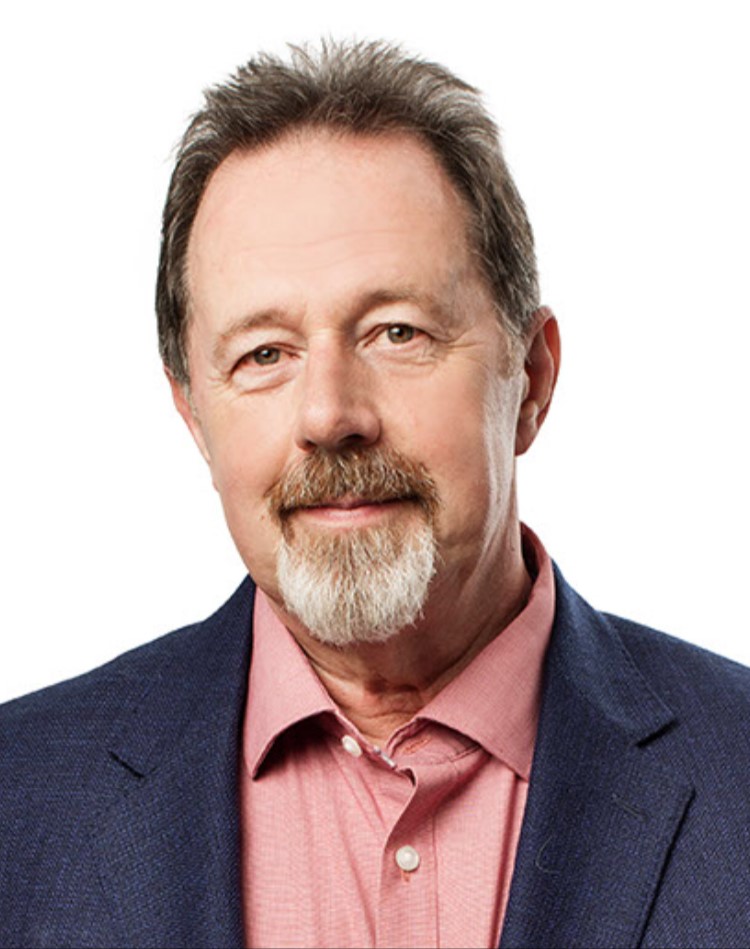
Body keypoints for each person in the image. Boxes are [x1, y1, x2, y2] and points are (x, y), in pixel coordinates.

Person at [1, 38, 749, 949]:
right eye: (264, 354)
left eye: (397, 332)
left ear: (533, 376)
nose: (329, 414)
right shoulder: (21, 802)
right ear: (194, 414)